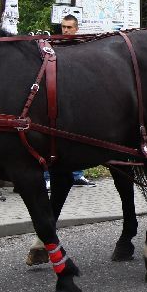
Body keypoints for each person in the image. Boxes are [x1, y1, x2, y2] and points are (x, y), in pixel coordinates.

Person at [57, 14, 92, 185]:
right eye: (63, 27)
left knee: (77, 137)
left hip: (77, 99)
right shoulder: (54, 46)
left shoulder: (82, 47)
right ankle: (49, 177)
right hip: (59, 98)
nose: (65, 30)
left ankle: (77, 175)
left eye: (69, 27)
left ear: (76, 29)